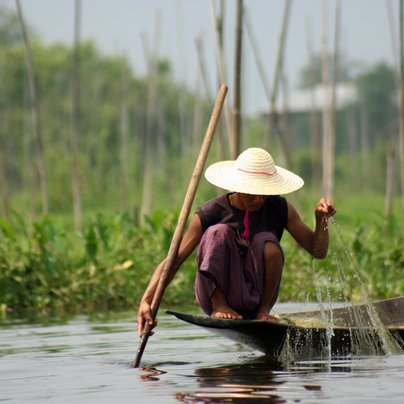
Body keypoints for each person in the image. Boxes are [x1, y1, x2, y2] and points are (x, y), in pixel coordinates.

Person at [137, 147, 336, 336]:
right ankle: (220, 305)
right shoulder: (210, 213)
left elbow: (318, 251)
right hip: (215, 293)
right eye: (252, 192)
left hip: (256, 297)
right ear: (239, 187)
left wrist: (321, 220)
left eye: (263, 193)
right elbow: (173, 261)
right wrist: (147, 300)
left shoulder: (279, 208)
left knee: (268, 243)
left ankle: (263, 311)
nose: (258, 199)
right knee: (219, 232)